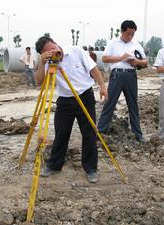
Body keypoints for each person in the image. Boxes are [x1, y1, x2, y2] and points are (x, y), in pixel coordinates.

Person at [35, 36, 107, 183]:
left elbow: (94, 69)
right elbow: (38, 82)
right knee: (61, 134)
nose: (54, 52)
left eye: (53, 47)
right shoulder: (49, 62)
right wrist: (42, 64)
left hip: (85, 96)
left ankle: (90, 168)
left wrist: (103, 86)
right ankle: (54, 165)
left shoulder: (76, 51)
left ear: (56, 42)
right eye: (48, 52)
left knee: (89, 134)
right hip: (65, 100)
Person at [97, 20, 148, 142]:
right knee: (110, 103)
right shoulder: (113, 43)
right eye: (128, 33)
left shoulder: (136, 44)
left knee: (133, 105)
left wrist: (137, 62)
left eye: (132, 34)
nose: (130, 36)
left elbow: (145, 62)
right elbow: (104, 58)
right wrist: (121, 58)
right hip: (117, 75)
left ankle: (138, 134)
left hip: (131, 75)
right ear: (122, 31)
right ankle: (101, 131)